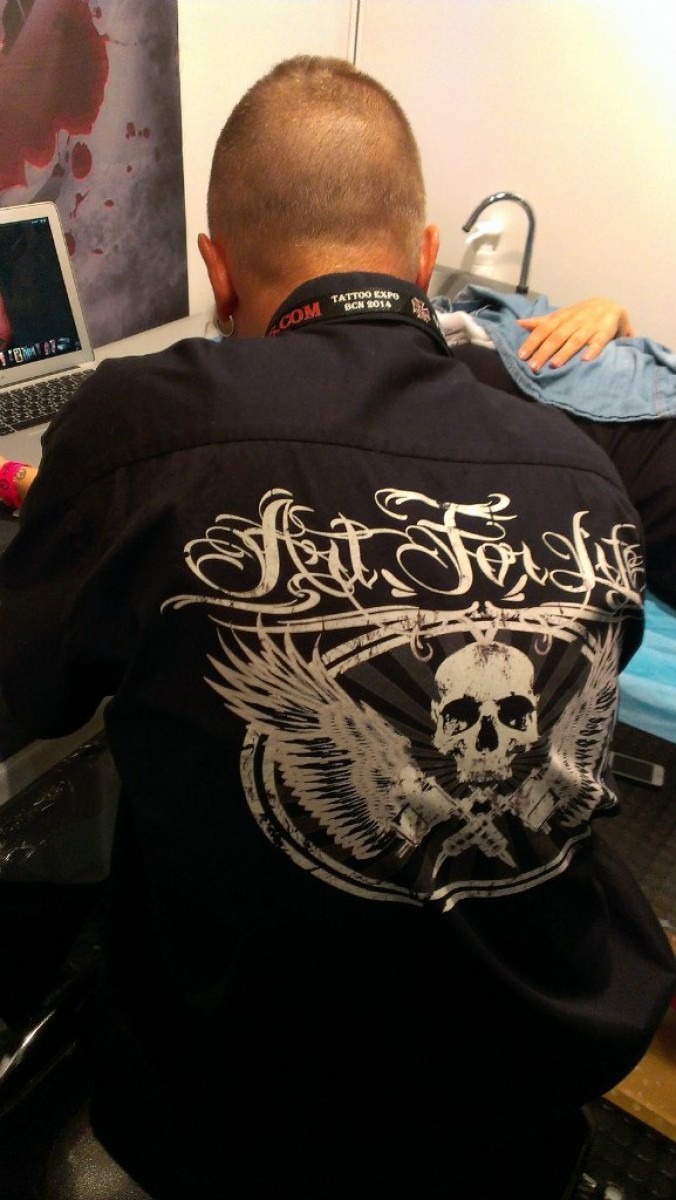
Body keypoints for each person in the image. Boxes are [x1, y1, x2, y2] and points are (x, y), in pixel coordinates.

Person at [0, 55, 674, 1200]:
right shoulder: (582, 474)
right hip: (516, 1107)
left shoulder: (135, 431)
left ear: (216, 271)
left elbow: (28, 694)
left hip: (225, 1120)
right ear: (422, 259)